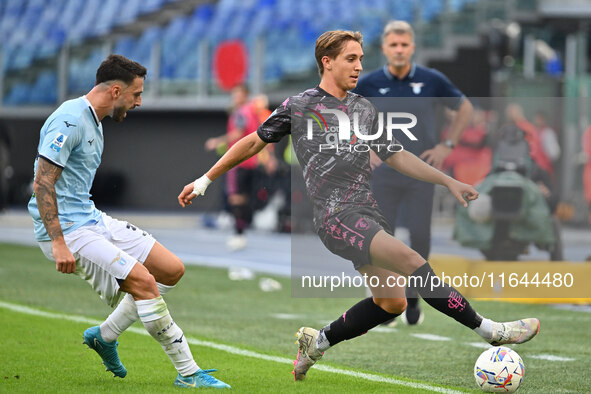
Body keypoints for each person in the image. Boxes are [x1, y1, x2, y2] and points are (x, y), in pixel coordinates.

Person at [178, 30, 539, 382]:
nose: (358, 67)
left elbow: (395, 154)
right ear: (327, 62)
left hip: (367, 213)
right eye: (350, 59)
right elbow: (252, 143)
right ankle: (490, 330)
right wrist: (205, 179)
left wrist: (448, 180)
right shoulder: (300, 105)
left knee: (392, 302)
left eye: (360, 60)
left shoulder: (362, 108)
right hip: (336, 217)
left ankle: (315, 343)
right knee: (413, 262)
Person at [28, 54, 230, 389]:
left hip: (90, 219)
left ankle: (104, 337)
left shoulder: (94, 121)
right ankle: (189, 373)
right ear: (116, 91)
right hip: (69, 232)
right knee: (144, 284)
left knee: (170, 269)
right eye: (136, 94)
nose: (139, 102)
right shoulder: (69, 120)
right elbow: (42, 182)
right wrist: (59, 242)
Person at [352, 20, 474, 325]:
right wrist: (363, 147)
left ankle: (415, 297)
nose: (399, 50)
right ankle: (389, 302)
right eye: (393, 45)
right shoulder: (367, 83)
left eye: (404, 45)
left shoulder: (432, 80)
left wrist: (447, 145)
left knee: (420, 235)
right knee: (382, 239)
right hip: (383, 176)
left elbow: (465, 108)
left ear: (412, 47)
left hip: (421, 173)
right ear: (384, 49)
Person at [205, 84, 261, 250]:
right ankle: (242, 230)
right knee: (243, 197)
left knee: (235, 197)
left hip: (239, 161)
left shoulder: (241, 112)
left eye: (237, 94)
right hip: (251, 160)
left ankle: (239, 234)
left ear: (245, 95)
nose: (235, 97)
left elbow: (237, 133)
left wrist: (217, 141)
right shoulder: (253, 111)